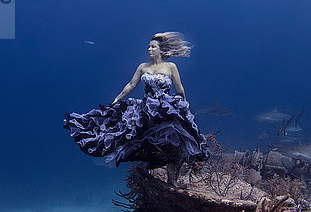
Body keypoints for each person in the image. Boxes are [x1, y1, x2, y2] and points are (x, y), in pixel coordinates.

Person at [63, 32, 209, 186]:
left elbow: (180, 89)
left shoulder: (171, 66)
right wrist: (117, 99)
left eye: (153, 47)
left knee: (173, 145)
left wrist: (185, 110)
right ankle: (150, 170)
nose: (149, 49)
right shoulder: (142, 66)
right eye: (148, 47)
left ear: (161, 50)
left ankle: (172, 179)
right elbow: (131, 85)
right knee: (138, 137)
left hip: (166, 109)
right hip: (146, 108)